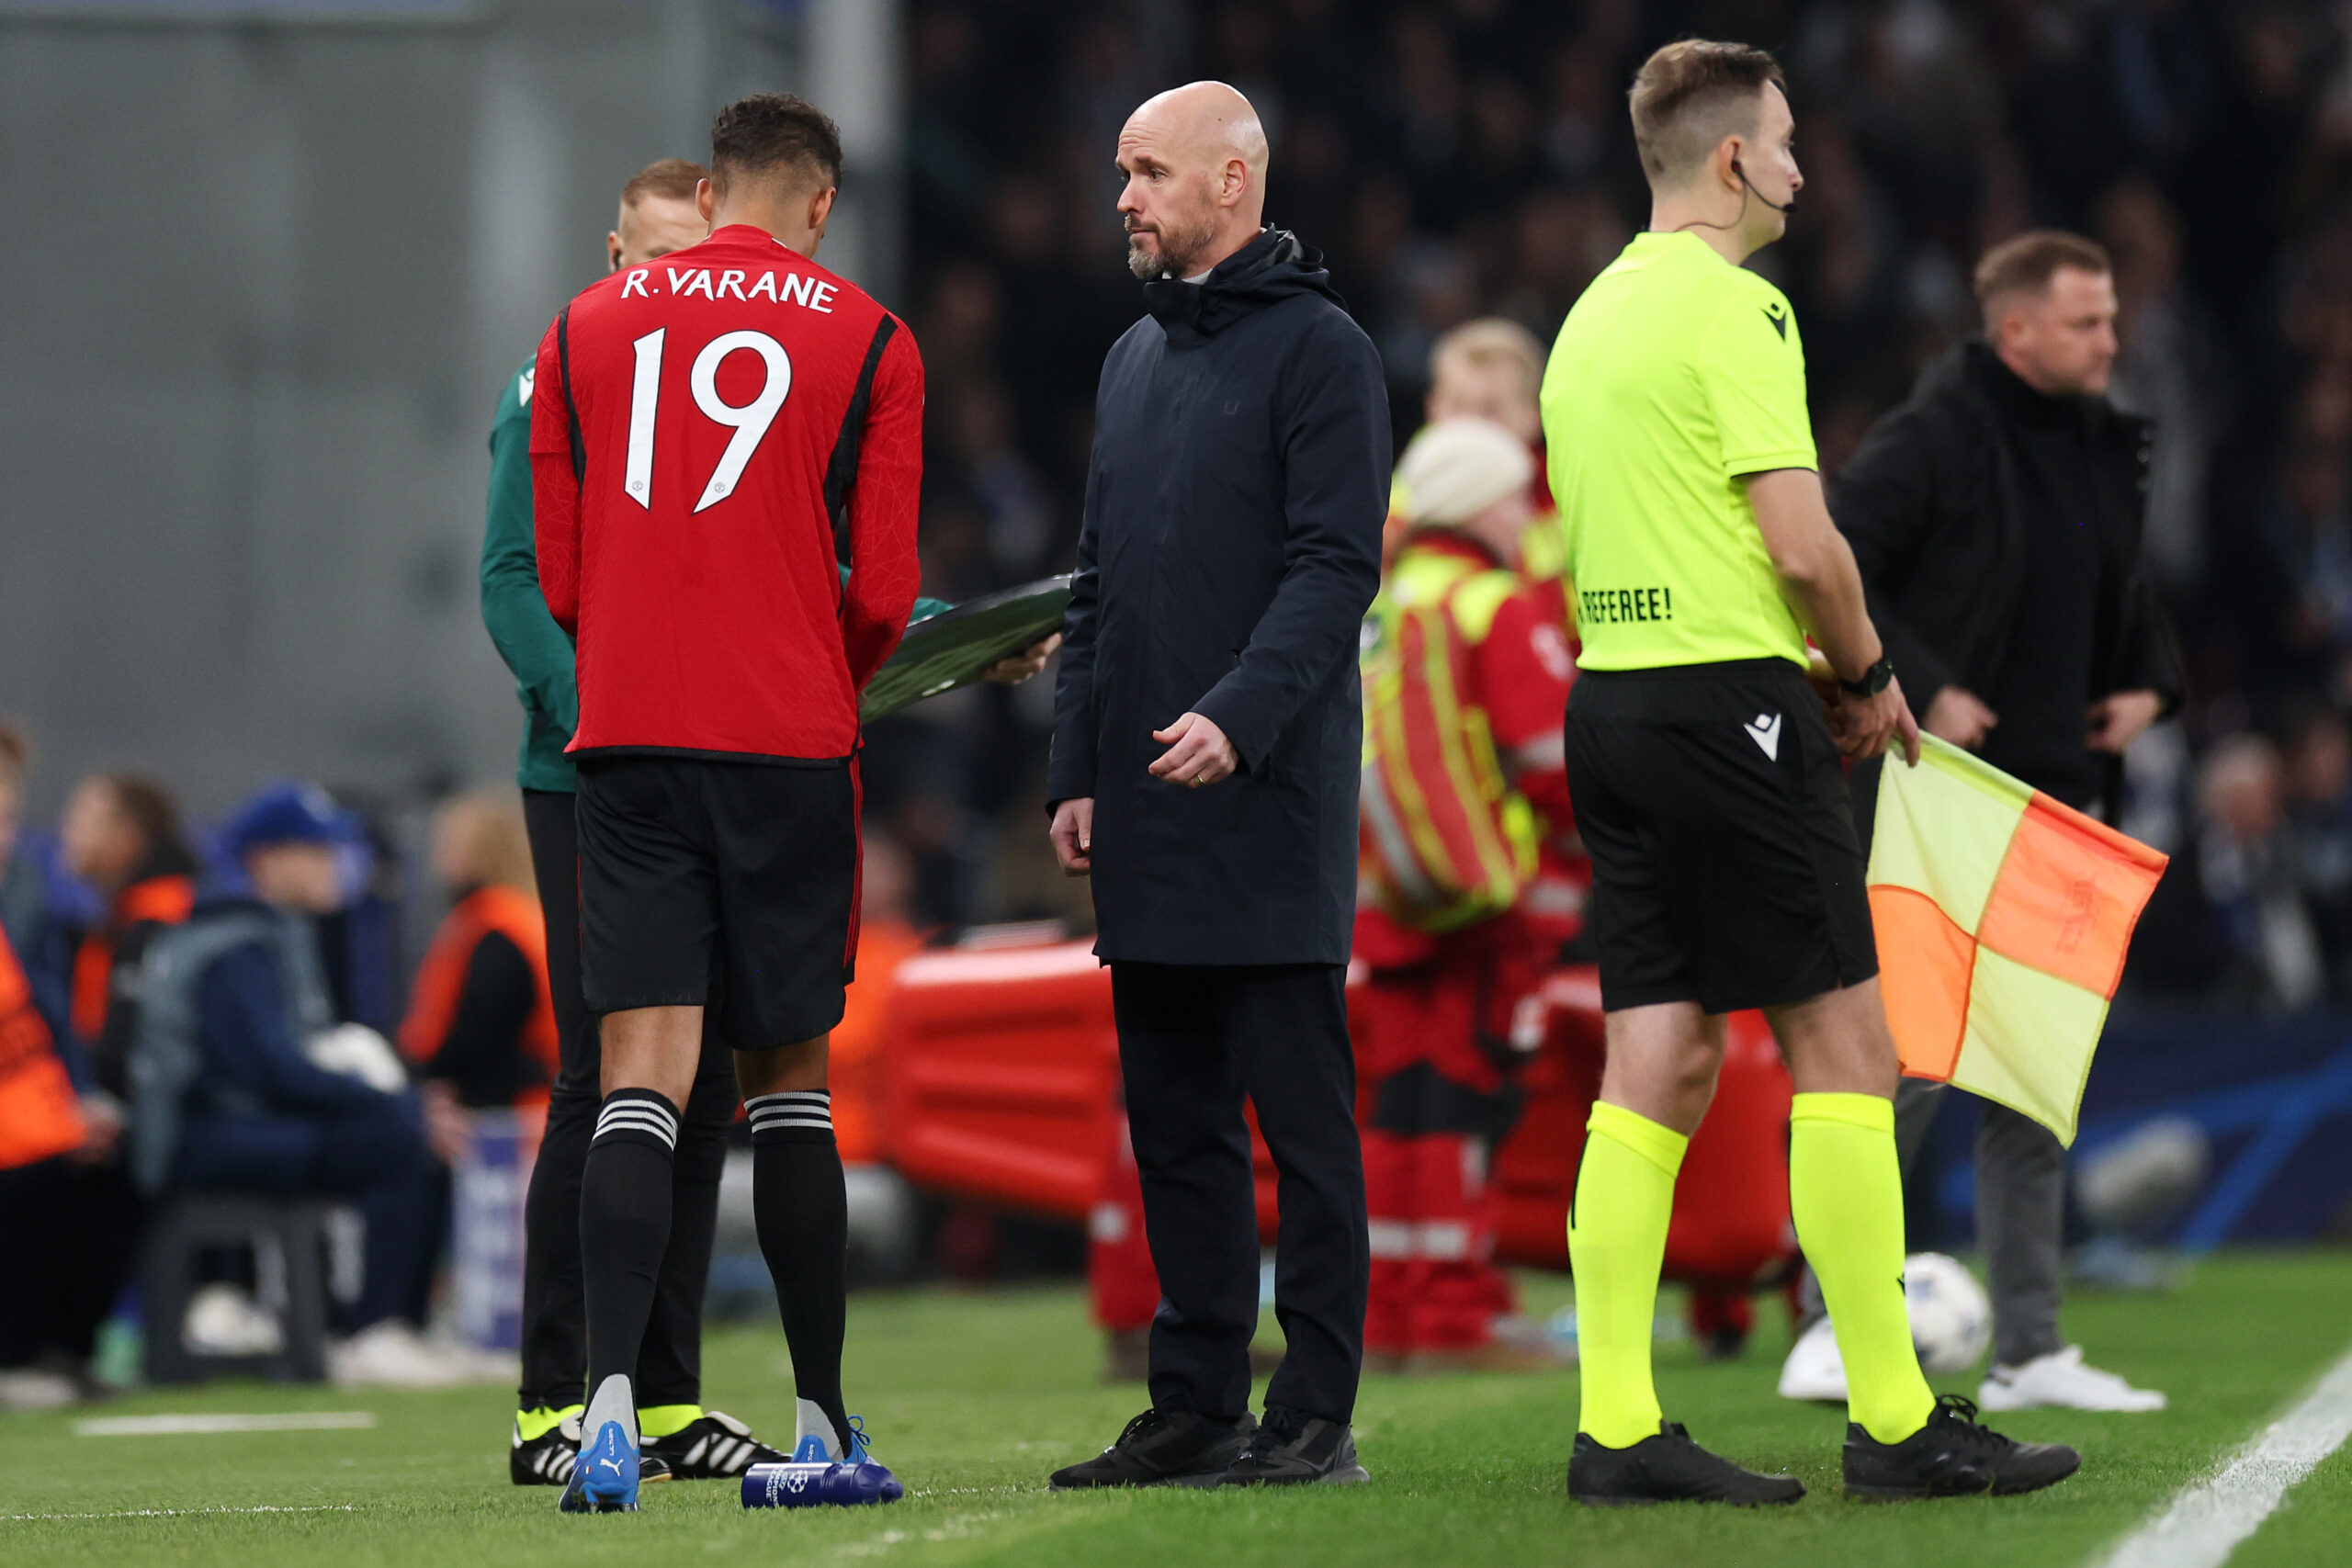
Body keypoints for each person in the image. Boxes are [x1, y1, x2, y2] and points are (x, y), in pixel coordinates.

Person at [1541, 39, 2077, 1504]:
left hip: (1615, 708)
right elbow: (1801, 544)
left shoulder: (1588, 315)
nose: (1797, 164)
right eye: (1782, 141)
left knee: (1655, 1055)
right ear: (1731, 161)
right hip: (1735, 708)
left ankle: (1616, 1423)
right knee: (1846, 1051)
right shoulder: (1738, 308)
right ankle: (1898, 1423)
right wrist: (1866, 675)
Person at [532, 93, 922, 1514]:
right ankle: (817, 1420)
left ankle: (610, 1406)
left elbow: (565, 578)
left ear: (709, 189)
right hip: (788, 741)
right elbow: (880, 590)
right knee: (789, 1086)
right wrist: (827, 663)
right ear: (818, 206)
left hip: (630, 734)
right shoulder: (873, 337)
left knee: (639, 1074)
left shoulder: (585, 328)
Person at [1046, 81, 1387, 1490]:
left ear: (1235, 181)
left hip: (1265, 800)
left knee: (1300, 1129)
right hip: (1146, 806)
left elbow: (1336, 568)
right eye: (1121, 171)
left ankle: (1311, 1408)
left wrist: (1238, 720)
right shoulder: (1132, 359)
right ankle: (1192, 1398)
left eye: (1147, 171)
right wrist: (1076, 766)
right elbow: (1096, 585)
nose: (1122, 195)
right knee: (1174, 1129)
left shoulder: (1325, 352)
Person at [1778, 231, 2182, 1415]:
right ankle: (1827, 1322)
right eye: (2086, 324)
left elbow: (2123, 589)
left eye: (2109, 319)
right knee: (1901, 1065)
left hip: (2056, 797)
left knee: (2030, 1073)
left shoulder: (2106, 442)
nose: (2112, 342)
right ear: (2015, 331)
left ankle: (2030, 1348)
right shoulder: (1938, 432)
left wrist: (2151, 679)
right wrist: (1916, 677)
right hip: (1941, 794)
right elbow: (1836, 558)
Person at [1353, 417, 1576, 1374]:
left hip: (1386, 888)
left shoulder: (1382, 599)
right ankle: (1451, 1319)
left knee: (1397, 1104)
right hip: (1486, 898)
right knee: (1465, 1097)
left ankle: (1391, 1315)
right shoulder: (1494, 603)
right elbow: (1549, 760)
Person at [146, 783, 458, 1387]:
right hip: (211, 1133)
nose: (332, 862)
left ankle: (393, 1324)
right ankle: (373, 1329)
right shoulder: (235, 943)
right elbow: (272, 1072)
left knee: (406, 1128)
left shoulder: (274, 929)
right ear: (266, 859)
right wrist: (393, 1100)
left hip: (247, 1120)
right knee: (399, 1134)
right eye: (315, 850)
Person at [0, 728, 140, 1408]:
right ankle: (13, 1352)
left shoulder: (23, 887)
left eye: (8, 818)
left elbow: (49, 1009)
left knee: (112, 1164)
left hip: (23, 1109)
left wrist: (83, 1100)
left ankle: (61, 1350)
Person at [399, 792, 560, 1139]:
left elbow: (483, 1030)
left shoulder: (496, 928)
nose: (438, 858)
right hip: (521, 1104)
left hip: (505, 1114)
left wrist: (427, 1080)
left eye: (450, 845)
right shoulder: (514, 916)